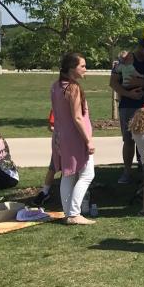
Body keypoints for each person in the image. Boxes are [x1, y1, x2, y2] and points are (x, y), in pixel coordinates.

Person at [50, 54, 96, 224]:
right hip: (75, 137)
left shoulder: (56, 86)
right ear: (71, 68)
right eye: (82, 66)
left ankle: (69, 213)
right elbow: (77, 118)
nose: (85, 69)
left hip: (61, 135)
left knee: (68, 175)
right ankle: (74, 214)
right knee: (87, 174)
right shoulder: (73, 88)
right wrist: (88, 140)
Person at [110, 38, 144, 184]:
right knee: (128, 140)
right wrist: (129, 94)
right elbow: (113, 82)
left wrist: (142, 83)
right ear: (139, 47)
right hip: (128, 105)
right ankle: (127, 171)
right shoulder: (125, 60)